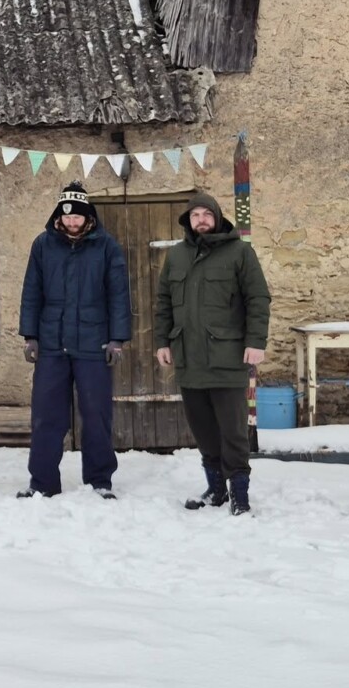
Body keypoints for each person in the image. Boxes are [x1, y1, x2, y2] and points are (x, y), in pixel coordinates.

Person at [154, 192, 271, 517]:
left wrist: (256, 342)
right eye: (195, 215)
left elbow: (258, 298)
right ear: (188, 221)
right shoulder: (177, 256)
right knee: (204, 431)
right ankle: (216, 489)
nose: (201, 220)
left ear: (217, 217)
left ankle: (240, 495)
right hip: (189, 359)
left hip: (227, 358)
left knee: (233, 432)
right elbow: (164, 302)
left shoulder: (240, 252)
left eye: (207, 214)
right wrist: (162, 341)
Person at [17, 181, 131, 498]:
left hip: (94, 344)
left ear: (87, 216)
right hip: (51, 344)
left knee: (96, 415)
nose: (71, 221)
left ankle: (100, 480)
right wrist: (30, 336)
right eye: (66, 216)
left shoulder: (106, 246)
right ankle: (42, 483)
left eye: (77, 216)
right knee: (46, 416)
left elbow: (119, 295)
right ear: (59, 215)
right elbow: (31, 292)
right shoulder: (43, 245)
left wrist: (117, 339)